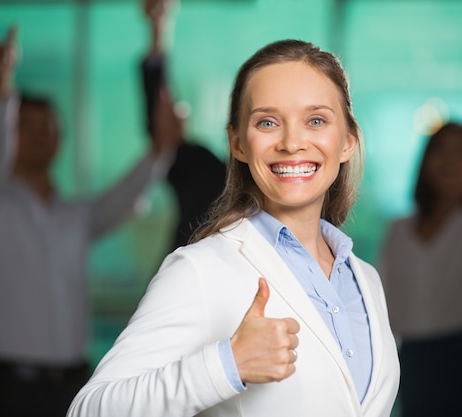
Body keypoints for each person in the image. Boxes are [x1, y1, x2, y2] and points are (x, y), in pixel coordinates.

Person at [67, 39, 400, 417]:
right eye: (268, 122)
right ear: (238, 144)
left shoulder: (365, 281)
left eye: (316, 120)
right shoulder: (200, 270)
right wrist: (227, 364)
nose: (292, 142)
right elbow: (89, 410)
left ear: (348, 142)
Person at [0, 29, 179, 417]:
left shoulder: (72, 215)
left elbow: (124, 198)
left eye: (49, 125)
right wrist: (2, 87)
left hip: (76, 384)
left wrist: (161, 149)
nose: (40, 134)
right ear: (10, 133)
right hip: (16, 388)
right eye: (26, 125)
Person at [378, 35, 462, 417]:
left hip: (458, 355)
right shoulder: (400, 228)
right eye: (440, 150)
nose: (450, 162)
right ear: (425, 161)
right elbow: (382, 303)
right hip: (408, 360)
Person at [141, 0, 226, 250]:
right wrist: (159, 29)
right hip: (184, 274)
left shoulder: (271, 182)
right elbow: (160, 117)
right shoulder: (201, 168)